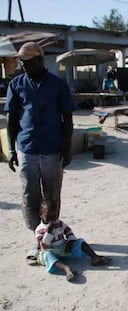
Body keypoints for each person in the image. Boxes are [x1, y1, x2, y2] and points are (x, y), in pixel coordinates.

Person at [4, 42, 76, 264]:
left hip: (52, 150)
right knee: (29, 197)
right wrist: (11, 149)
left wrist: (67, 148)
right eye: (20, 62)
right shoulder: (17, 84)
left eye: (26, 62)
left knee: (51, 198)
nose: (22, 66)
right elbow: (11, 119)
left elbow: (68, 119)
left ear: (39, 60)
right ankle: (39, 239)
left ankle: (53, 236)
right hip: (27, 149)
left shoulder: (57, 84)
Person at [35, 199, 112, 282]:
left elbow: (68, 231)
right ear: (41, 215)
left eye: (55, 216)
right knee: (46, 255)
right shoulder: (39, 230)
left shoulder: (59, 223)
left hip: (64, 248)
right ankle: (66, 269)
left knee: (80, 241)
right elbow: (43, 246)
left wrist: (70, 242)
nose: (52, 219)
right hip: (52, 251)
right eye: (49, 216)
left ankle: (95, 258)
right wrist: (49, 233)